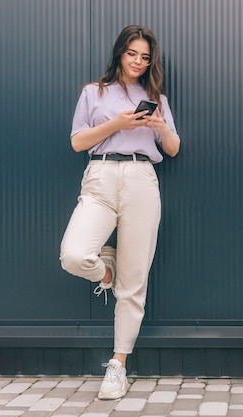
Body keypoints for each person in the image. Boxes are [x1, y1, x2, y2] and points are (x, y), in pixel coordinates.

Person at [59, 25, 180, 400]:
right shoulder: (93, 93)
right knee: (74, 256)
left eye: (145, 57)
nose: (138, 62)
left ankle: (118, 364)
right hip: (100, 175)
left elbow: (173, 148)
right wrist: (118, 124)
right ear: (119, 54)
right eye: (132, 54)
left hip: (143, 178)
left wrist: (160, 126)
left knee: (134, 282)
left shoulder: (155, 96)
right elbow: (78, 140)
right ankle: (104, 269)